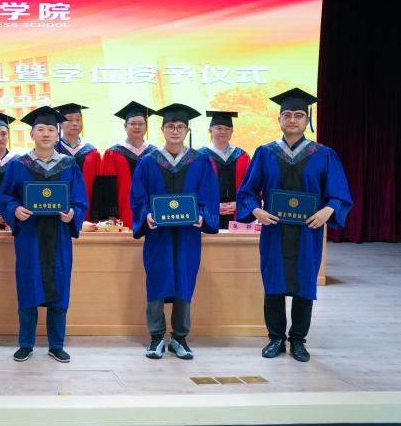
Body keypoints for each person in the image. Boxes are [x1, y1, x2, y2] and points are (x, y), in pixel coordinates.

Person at [237, 88, 352, 363]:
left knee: (304, 284)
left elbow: (339, 194)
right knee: (273, 283)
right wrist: (256, 210)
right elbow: (247, 192)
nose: (292, 120)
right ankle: (276, 338)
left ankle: (298, 340)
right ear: (279, 119)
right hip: (274, 230)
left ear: (307, 120)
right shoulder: (265, 153)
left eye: (299, 115)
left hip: (308, 231)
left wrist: (328, 210)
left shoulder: (324, 154)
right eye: (287, 115)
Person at [0, 106, 88, 363]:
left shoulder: (69, 165)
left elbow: (80, 200)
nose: (46, 134)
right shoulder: (18, 165)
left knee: (59, 287)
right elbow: (5, 196)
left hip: (59, 236)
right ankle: (26, 344)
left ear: (57, 134)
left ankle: (56, 344)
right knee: (28, 285)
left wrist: (73, 213)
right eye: (40, 129)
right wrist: (15, 210)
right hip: (30, 236)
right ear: (32, 134)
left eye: (50, 129)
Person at [130, 103, 219, 360]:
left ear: (187, 130)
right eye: (170, 126)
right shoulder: (148, 162)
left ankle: (180, 338)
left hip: (188, 235)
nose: (175, 130)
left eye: (180, 127)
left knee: (184, 280)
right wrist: (146, 215)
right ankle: (156, 337)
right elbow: (138, 197)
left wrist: (202, 215)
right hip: (158, 235)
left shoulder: (201, 162)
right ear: (162, 130)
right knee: (157, 280)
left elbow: (208, 196)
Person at [91, 101, 157, 228]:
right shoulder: (112, 153)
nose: (137, 127)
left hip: (152, 214)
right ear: (125, 126)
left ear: (146, 127)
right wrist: (111, 216)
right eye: (132, 123)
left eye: (141, 124)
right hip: (122, 216)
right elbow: (107, 188)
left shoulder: (155, 154)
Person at [198, 110, 251, 230]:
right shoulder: (199, 156)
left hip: (237, 213)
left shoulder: (242, 156)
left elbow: (251, 185)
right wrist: (211, 206)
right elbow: (193, 188)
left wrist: (239, 203)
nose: (223, 131)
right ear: (210, 130)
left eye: (227, 129)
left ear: (232, 132)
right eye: (219, 128)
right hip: (208, 215)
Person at [54, 103, 101, 218]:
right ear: (61, 124)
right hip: (57, 210)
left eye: (78, 120)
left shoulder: (92, 152)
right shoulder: (52, 150)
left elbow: (99, 186)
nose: (75, 123)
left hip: (87, 210)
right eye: (70, 120)